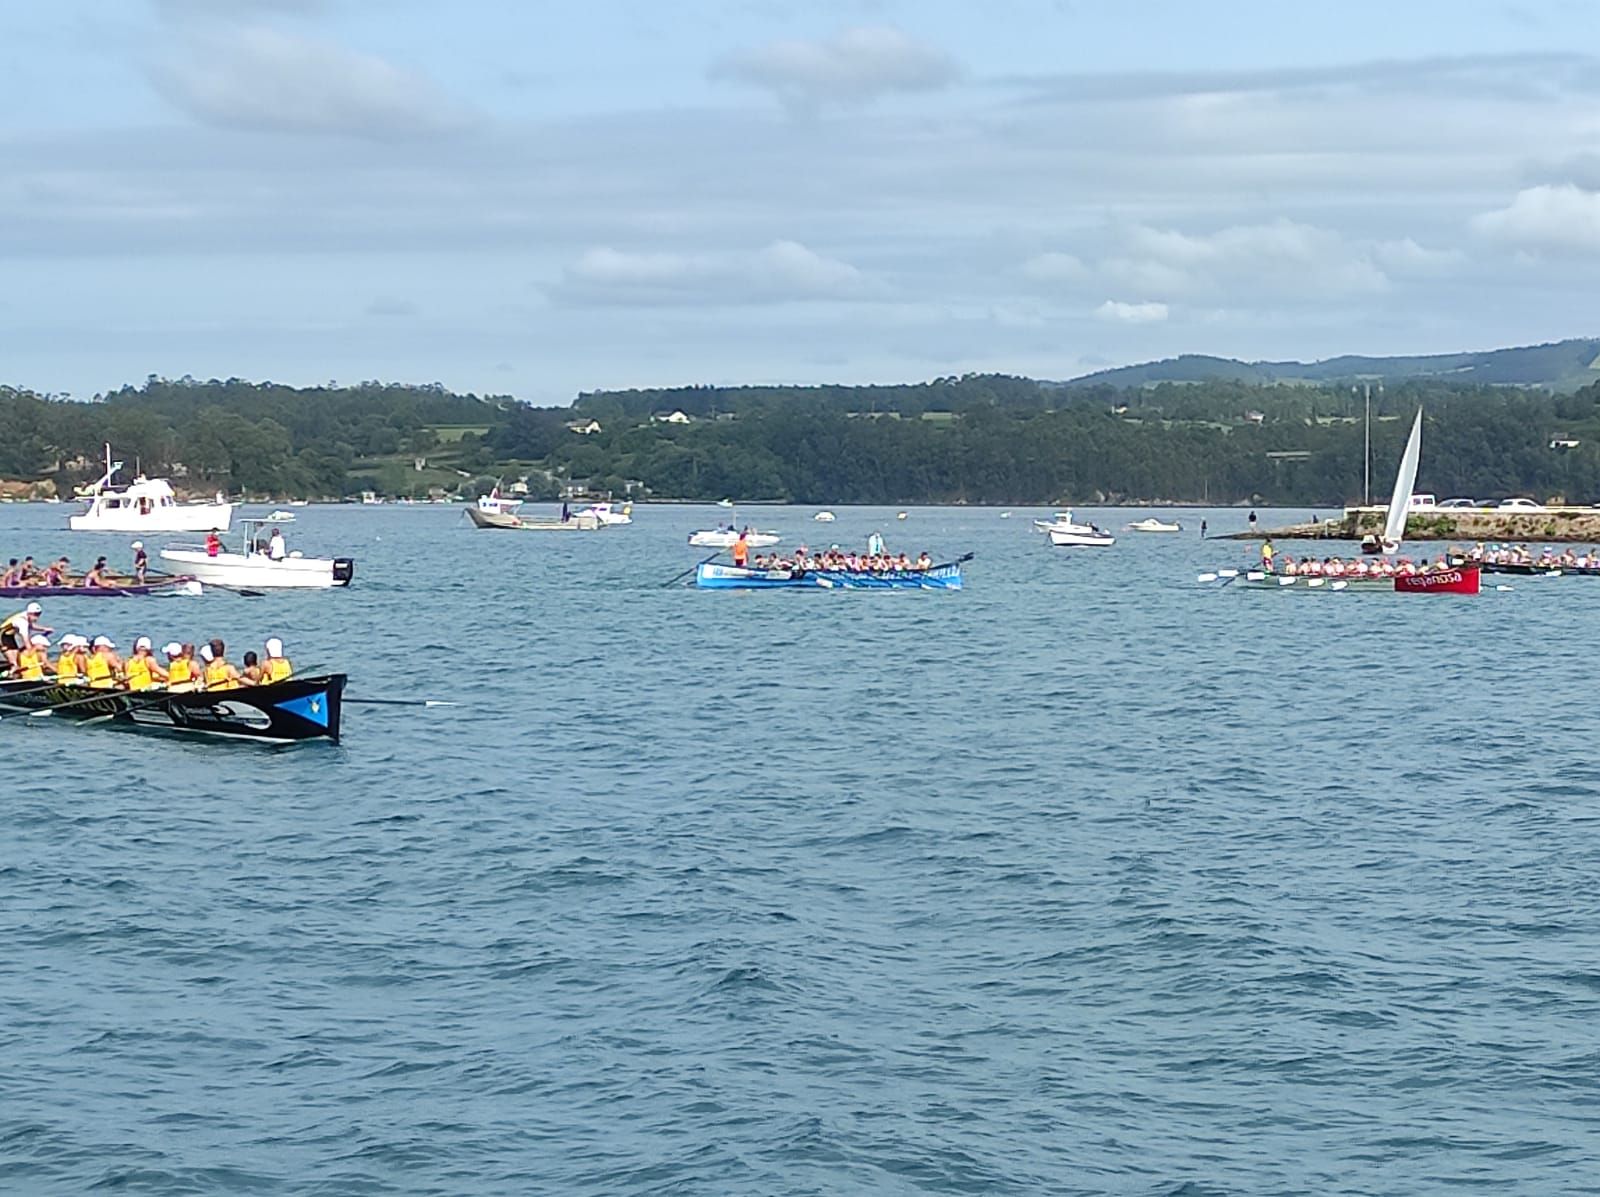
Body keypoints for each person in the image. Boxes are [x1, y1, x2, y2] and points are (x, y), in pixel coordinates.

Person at [2, 602, 50, 672]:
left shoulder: (26, 615)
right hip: (1, 637)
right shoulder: (22, 622)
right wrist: (32, 652)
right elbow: (26, 639)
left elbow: (30, 626)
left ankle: (16, 670)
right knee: (14, 664)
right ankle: (11, 673)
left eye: (38, 614)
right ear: (29, 613)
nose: (36, 617)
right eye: (35, 615)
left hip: (9, 637)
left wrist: (44, 629)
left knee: (17, 658)